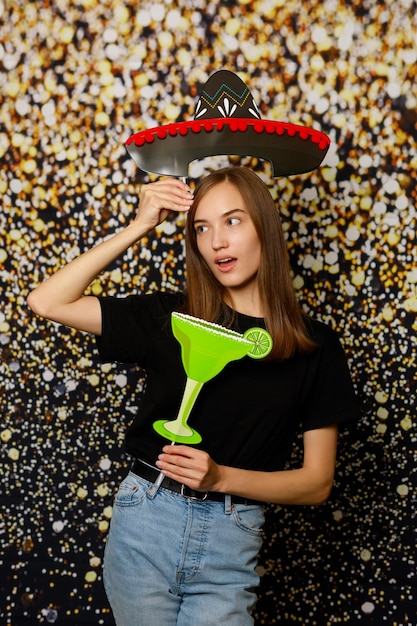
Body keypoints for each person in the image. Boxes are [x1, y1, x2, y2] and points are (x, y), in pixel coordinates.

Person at [27, 166, 359, 626]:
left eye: (233, 221)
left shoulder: (314, 347)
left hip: (233, 535)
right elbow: (47, 302)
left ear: (265, 225)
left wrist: (221, 477)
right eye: (201, 228)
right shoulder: (173, 318)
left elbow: (317, 482)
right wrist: (139, 225)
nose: (216, 241)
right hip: (145, 523)